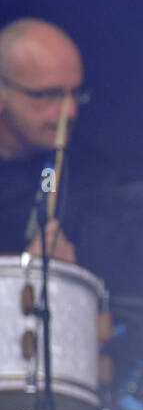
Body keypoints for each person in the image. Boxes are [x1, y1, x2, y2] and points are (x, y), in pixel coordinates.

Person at [0, 18, 87, 261]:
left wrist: (69, 274)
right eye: (48, 95)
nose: (69, 112)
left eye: (76, 93)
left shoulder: (96, 181)